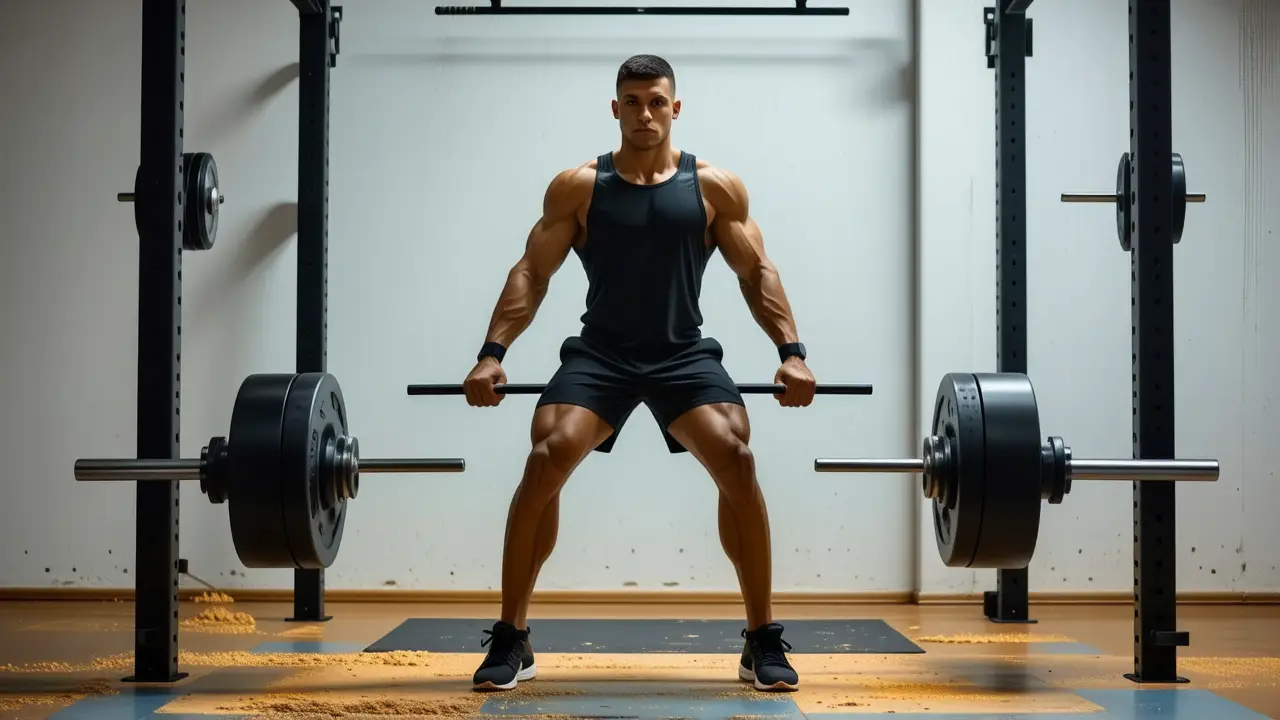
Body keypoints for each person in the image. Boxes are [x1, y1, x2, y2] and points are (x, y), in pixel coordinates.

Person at [461, 54, 816, 693]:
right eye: (632, 101)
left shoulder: (714, 188)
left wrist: (792, 351)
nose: (645, 113)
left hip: (681, 354)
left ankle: (761, 638)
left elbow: (756, 272)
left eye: (656, 102)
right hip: (602, 355)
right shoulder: (578, 187)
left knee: (736, 455)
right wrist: (493, 354)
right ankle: (512, 636)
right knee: (547, 454)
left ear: (675, 108)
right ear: (615, 108)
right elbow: (532, 273)